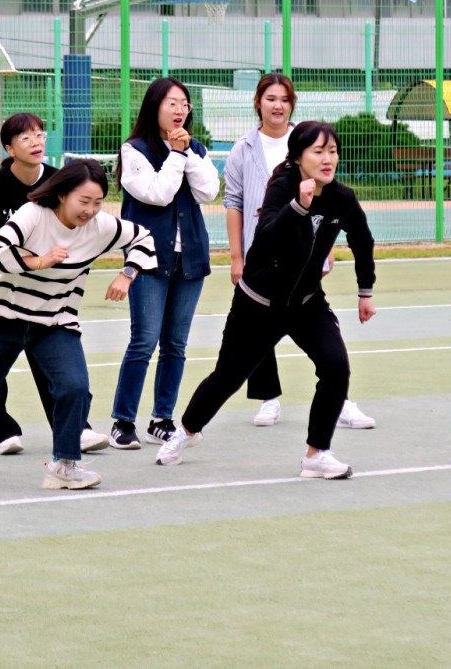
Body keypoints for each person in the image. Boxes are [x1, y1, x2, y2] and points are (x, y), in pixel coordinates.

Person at [0, 159, 156, 489]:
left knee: (75, 387)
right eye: (84, 201)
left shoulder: (101, 226)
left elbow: (143, 238)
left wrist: (127, 274)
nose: (90, 210)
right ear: (62, 196)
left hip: (54, 320)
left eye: (98, 202)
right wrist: (39, 261)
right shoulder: (33, 215)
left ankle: (65, 464)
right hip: (2, 315)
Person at [156, 122, 377, 479]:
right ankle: (185, 432)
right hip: (258, 303)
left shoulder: (341, 197)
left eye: (332, 151)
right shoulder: (282, 187)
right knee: (227, 377)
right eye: (318, 152)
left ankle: (316, 454)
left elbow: (362, 240)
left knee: (336, 367)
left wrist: (365, 291)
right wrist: (299, 207)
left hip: (306, 302)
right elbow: (266, 237)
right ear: (298, 157)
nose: (327, 159)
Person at [223, 73, 375, 430]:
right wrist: (236, 256)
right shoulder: (244, 148)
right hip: (261, 251)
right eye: (270, 98)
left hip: (306, 253)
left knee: (317, 326)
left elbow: (333, 209)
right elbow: (234, 202)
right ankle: (268, 398)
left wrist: (328, 245)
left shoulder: (309, 138)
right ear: (258, 102)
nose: (277, 105)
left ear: (292, 104)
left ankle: (341, 400)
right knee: (261, 323)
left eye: (284, 99)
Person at [0, 113, 109, 456]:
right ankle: (2, 430)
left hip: (44, 289)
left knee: (52, 361)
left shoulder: (59, 182)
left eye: (40, 134)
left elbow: (80, 233)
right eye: (25, 138)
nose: (36, 142)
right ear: (9, 148)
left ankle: (76, 429)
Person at [108, 78, 220, 449]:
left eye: (184, 104)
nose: (179, 110)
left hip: (190, 258)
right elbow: (157, 194)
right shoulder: (134, 150)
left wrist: (186, 153)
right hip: (148, 259)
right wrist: (176, 155)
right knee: (143, 341)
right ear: (154, 106)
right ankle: (123, 421)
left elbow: (208, 191)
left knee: (175, 344)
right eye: (171, 103)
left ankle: (162, 418)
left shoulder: (194, 147)